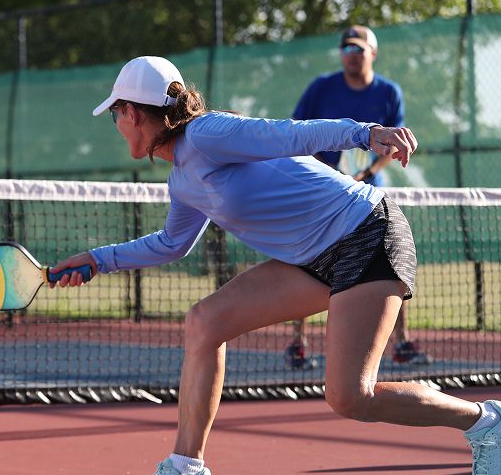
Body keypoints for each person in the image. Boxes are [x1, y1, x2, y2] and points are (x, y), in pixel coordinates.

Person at [48, 56, 500, 475]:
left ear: (132, 111)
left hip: (367, 232)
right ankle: (186, 465)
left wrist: (365, 132)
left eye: (115, 113)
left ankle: (486, 422)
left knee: (350, 397)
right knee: (205, 322)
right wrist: (96, 260)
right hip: (310, 258)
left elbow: (290, 134)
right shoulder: (183, 180)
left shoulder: (207, 133)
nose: (116, 123)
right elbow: (172, 243)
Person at [286, 25, 430, 370]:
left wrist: (363, 175)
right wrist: (322, 175)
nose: (352, 55)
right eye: (346, 49)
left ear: (373, 53)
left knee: (391, 262)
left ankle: (401, 343)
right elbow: (295, 132)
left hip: (367, 197)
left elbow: (394, 142)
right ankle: (297, 343)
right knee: (306, 258)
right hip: (321, 191)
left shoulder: (389, 92)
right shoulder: (321, 88)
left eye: (358, 49)